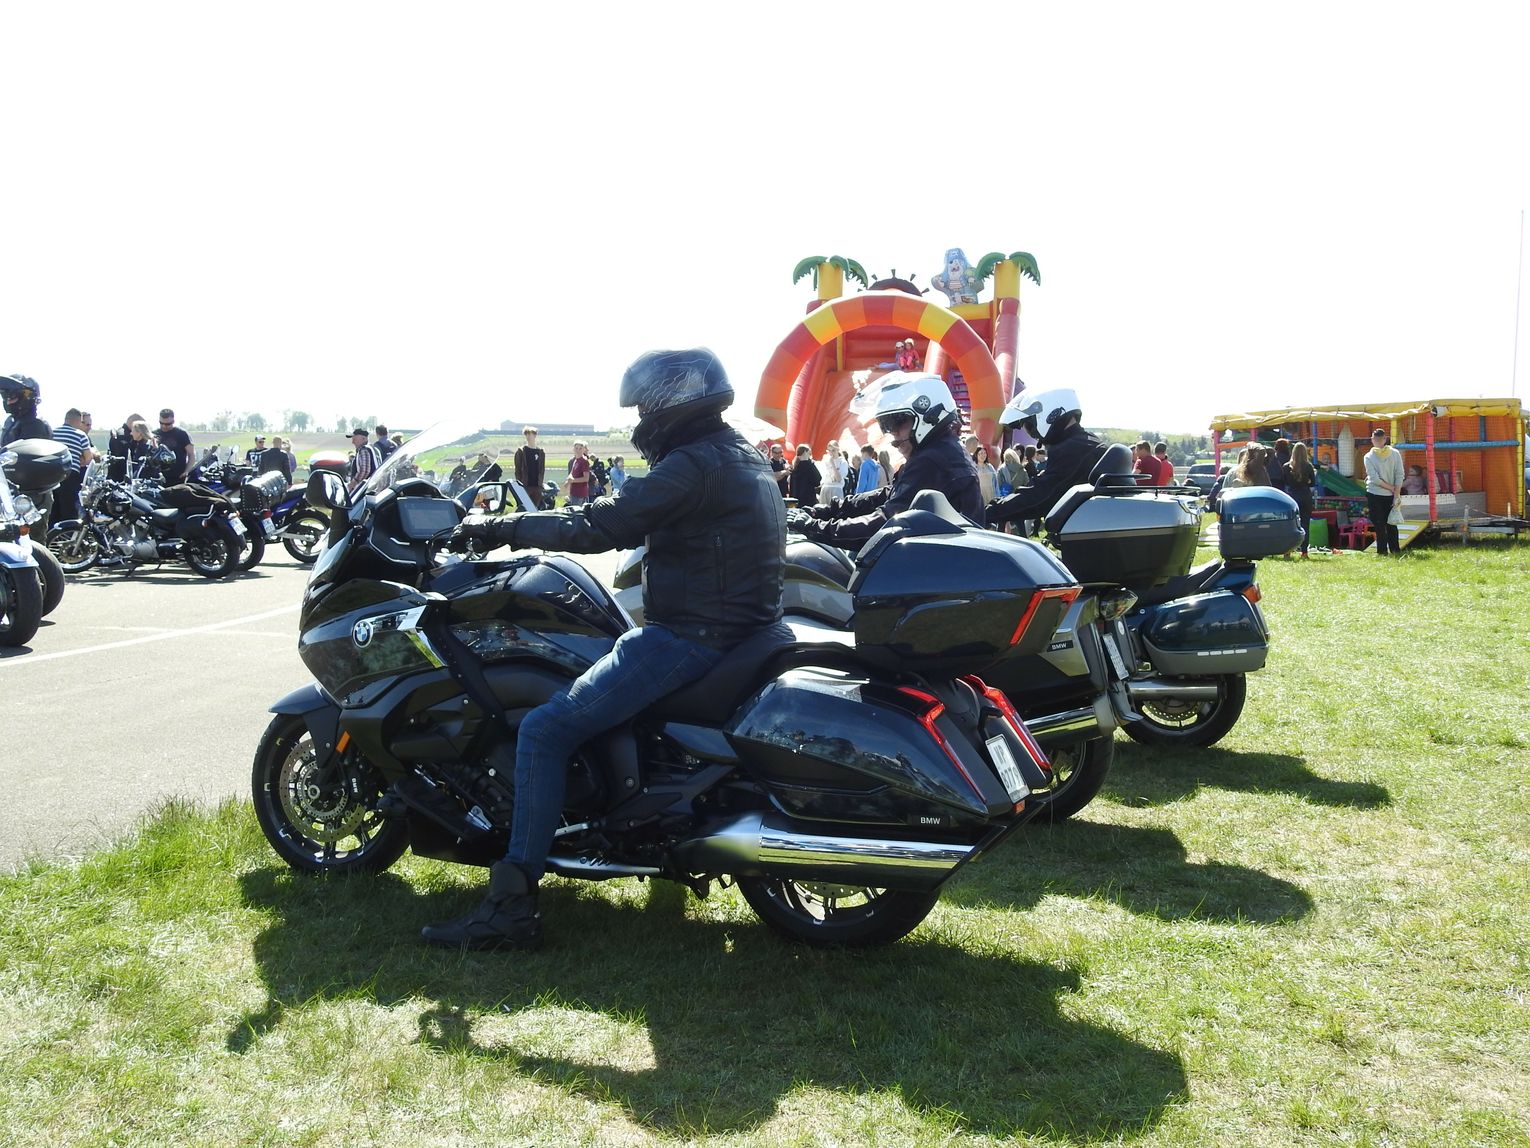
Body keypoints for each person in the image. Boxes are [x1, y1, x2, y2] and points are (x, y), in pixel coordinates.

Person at [422, 347, 786, 951]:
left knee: (544, 730)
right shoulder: (737, 453)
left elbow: (601, 525)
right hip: (745, 630)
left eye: (645, 407)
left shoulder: (694, 463)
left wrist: (497, 528)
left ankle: (511, 908)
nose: (641, 419)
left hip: (693, 636)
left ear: (671, 403)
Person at [789, 373, 981, 548]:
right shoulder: (943, 450)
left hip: (936, 566)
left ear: (928, 415)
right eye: (886, 425)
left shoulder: (932, 461)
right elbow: (892, 494)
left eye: (897, 422)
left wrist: (814, 527)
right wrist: (831, 510)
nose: (893, 433)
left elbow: (887, 522)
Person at [986, 389, 1109, 532]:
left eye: (1029, 425)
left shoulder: (1073, 449)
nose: (1033, 434)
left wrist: (985, 513)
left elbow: (1039, 497)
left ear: (1052, 414)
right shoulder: (1088, 441)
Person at [1363, 427, 1405, 556]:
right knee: (1390, 523)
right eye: (1375, 439)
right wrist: (1395, 492)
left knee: (1381, 524)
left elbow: (1374, 479)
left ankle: (1384, 551)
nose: (1376, 441)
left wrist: (1395, 492)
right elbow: (1399, 474)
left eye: (1377, 439)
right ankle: (1393, 550)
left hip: (1376, 493)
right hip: (1386, 494)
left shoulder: (1369, 456)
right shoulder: (1394, 453)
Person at [51, 408, 97, 523]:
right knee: (69, 510)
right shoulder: (80, 435)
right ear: (78, 421)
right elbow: (88, 458)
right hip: (70, 474)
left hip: (52, 475)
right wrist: (79, 461)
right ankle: (69, 531)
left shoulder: (52, 432)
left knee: (53, 509)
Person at [1283, 441, 1318, 556]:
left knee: (1290, 524)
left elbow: (1285, 483)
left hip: (1292, 496)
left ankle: (1288, 551)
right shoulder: (1308, 466)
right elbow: (1313, 484)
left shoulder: (1286, 467)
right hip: (1305, 495)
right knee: (1305, 524)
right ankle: (1304, 552)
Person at [2, 374, 51, 445]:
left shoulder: (35, 424)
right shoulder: (10, 421)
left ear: (28, 397)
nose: (8, 402)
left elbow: (25, 451)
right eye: (5, 397)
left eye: (12, 396)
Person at [154, 409, 194, 485]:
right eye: (161, 423)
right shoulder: (155, 434)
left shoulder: (182, 434)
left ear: (173, 421)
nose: (164, 426)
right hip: (159, 478)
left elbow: (191, 454)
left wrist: (187, 471)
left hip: (178, 478)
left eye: (167, 424)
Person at [514, 427, 547, 507]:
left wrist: (540, 484)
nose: (528, 436)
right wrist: (520, 484)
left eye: (530, 434)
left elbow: (542, 469)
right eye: (526, 434)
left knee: (535, 508)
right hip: (525, 485)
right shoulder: (521, 451)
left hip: (537, 486)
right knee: (524, 507)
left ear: (535, 435)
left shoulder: (540, 452)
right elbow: (517, 469)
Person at [347, 428, 379, 494]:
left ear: (364, 439)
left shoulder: (364, 450)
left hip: (366, 490)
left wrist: (353, 483)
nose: (352, 442)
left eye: (354, 439)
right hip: (374, 488)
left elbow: (364, 471)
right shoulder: (374, 448)